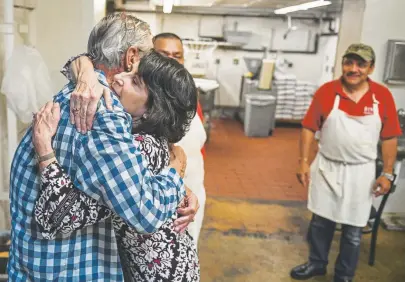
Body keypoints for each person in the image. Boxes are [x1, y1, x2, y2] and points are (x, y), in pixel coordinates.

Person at [8, 13, 198, 281]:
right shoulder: (106, 111)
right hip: (66, 270)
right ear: (131, 56)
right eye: (137, 70)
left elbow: (127, 201)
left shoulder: (75, 94)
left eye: (136, 79)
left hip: (152, 271)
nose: (125, 78)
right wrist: (176, 171)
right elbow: (142, 210)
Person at [70, 32, 208, 244]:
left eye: (176, 56)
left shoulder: (142, 141)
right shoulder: (133, 132)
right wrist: (85, 70)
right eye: (163, 54)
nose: (169, 61)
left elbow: (68, 214)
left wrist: (46, 158)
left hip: (178, 216)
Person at [291, 43, 401, 282]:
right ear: (342, 64)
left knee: (352, 231)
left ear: (370, 68)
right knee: (320, 222)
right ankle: (317, 263)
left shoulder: (382, 96)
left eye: (361, 64)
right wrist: (303, 162)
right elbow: (309, 128)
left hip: (362, 173)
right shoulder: (327, 92)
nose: (353, 69)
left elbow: (390, 136)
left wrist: (388, 173)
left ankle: (344, 275)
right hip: (327, 167)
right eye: (348, 63)